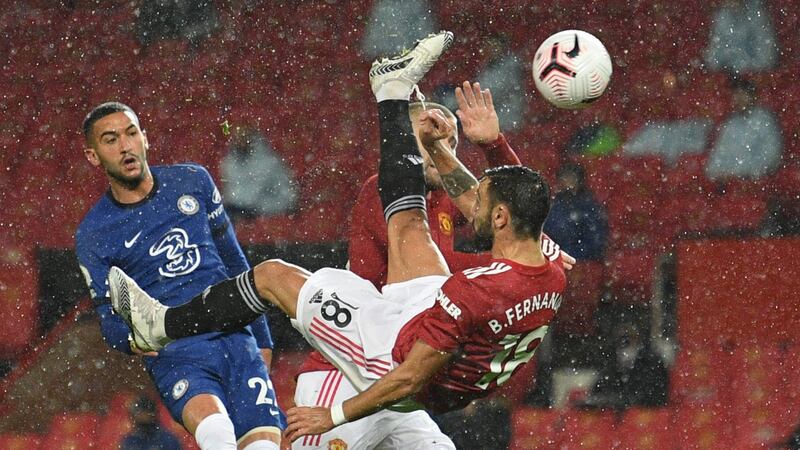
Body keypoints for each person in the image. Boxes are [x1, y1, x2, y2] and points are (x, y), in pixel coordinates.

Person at [107, 31, 567, 443]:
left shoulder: (475, 283)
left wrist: (333, 415)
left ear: (502, 218)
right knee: (410, 225)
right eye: (418, 140)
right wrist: (484, 146)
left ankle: (160, 327)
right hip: (404, 324)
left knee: (270, 277)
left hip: (382, 360)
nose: (466, 189)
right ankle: (393, 90)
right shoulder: (547, 268)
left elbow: (421, 359)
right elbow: (508, 210)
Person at [293, 82, 526, 449]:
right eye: (431, 139)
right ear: (405, 144)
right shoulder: (382, 189)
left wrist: (494, 144)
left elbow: (514, 214)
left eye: (451, 143)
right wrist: (512, 267)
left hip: (395, 372)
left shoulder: (443, 198)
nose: (442, 151)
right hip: (345, 368)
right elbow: (434, 265)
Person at [75, 102, 285, 450]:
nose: (125, 146)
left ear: (145, 138)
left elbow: (235, 262)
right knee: (216, 435)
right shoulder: (94, 233)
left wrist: (262, 339)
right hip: (179, 350)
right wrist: (135, 340)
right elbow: (109, 322)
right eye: (110, 140)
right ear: (94, 156)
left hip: (236, 336)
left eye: (131, 133)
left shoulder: (193, 181)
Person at [705, 77, 782, 180]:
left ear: (753, 96)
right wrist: (719, 173)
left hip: (756, 182)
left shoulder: (765, 120)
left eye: (743, 94)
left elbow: (771, 158)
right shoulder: (731, 123)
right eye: (737, 95)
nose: (739, 98)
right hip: (730, 183)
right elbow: (717, 157)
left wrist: (739, 173)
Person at [221, 125, 297, 221]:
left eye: (244, 137)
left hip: (265, 212)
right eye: (238, 138)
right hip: (240, 211)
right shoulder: (230, 162)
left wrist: (259, 208)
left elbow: (287, 197)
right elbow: (230, 192)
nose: (240, 141)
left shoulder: (269, 162)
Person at [544, 163, 608, 261]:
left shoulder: (589, 207)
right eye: (563, 178)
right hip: (555, 261)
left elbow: (595, 241)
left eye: (571, 178)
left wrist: (570, 255)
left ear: (579, 181)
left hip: (583, 263)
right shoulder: (553, 205)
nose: (566, 182)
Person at [704, 0, 777, 74]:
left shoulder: (756, 16)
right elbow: (714, 54)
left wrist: (746, 69)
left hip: (753, 75)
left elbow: (765, 56)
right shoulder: (723, 17)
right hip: (727, 74)